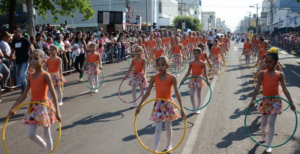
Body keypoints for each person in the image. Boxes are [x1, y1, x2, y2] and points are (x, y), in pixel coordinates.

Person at [8, 49, 61, 154]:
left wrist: (57, 111)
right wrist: (13, 108)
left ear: (43, 61)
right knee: (31, 135)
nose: (32, 61)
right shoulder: (30, 76)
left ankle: (48, 152)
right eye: (31, 58)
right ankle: (46, 148)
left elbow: (53, 93)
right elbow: (24, 94)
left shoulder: (46, 75)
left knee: (46, 132)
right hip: (33, 107)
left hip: (44, 105)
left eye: (36, 58)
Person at [248, 48, 295, 153]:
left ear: (276, 62)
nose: (267, 64)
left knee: (271, 123)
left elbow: (285, 89)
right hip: (265, 101)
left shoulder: (280, 74)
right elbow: (256, 88)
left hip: (275, 101)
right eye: (266, 62)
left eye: (270, 62)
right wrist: (252, 100)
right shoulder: (262, 73)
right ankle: (263, 132)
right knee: (263, 123)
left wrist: (291, 103)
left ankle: (269, 145)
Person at [135, 56, 186, 153]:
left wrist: (182, 109)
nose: (160, 67)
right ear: (156, 66)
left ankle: (169, 144)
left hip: (168, 104)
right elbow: (148, 92)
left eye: (163, 65)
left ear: (167, 66)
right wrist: (139, 105)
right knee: (158, 128)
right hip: (158, 105)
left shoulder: (172, 77)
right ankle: (155, 149)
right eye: (158, 65)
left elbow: (177, 92)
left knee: (167, 126)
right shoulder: (154, 78)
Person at [180, 48, 210, 114]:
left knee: (198, 95)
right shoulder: (191, 63)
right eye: (194, 54)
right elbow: (188, 72)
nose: (196, 55)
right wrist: (183, 80)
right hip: (192, 79)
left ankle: (198, 108)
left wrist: (207, 80)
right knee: (191, 94)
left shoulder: (203, 63)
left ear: (200, 54)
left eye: (197, 54)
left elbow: (205, 73)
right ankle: (193, 107)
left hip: (199, 79)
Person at [11, 27, 32, 92]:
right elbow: (12, 51)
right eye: (14, 32)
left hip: (25, 60)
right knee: (22, 76)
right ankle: (29, 86)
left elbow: (31, 49)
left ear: (20, 32)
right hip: (17, 61)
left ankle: (24, 90)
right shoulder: (14, 41)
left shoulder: (25, 40)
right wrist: (10, 60)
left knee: (23, 75)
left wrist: (31, 59)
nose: (15, 34)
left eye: (16, 32)